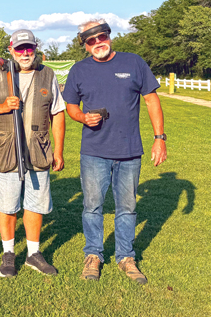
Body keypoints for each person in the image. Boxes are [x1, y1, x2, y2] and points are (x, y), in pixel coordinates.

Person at [64, 19, 167, 284]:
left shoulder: (133, 63)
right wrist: (83, 118)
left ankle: (126, 257)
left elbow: (151, 99)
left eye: (101, 37)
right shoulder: (78, 70)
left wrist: (159, 138)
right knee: (92, 206)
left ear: (109, 36)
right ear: (84, 46)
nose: (98, 43)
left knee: (127, 207)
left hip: (130, 150)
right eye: (91, 40)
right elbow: (71, 107)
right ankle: (93, 256)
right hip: (94, 151)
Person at [0, 29, 66, 278]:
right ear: (11, 50)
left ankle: (33, 253)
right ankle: (8, 254)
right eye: (20, 49)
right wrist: (0, 106)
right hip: (6, 149)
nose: (25, 53)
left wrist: (58, 152)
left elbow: (58, 113)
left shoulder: (47, 74)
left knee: (35, 203)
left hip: (39, 149)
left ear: (36, 48)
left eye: (29, 48)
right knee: (7, 205)